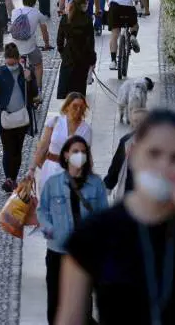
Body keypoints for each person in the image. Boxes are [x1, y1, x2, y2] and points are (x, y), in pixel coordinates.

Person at [56, 109, 175, 325]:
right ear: (132, 154)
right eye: (154, 154)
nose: (163, 166)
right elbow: (70, 318)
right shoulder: (94, 232)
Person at [38, 136, 108, 325]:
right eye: (76, 151)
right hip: (57, 250)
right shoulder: (53, 183)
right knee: (54, 301)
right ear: (66, 155)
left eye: (84, 152)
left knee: (83, 304)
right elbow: (42, 210)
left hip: (85, 253)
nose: (80, 156)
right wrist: (48, 228)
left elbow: (103, 217)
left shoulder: (96, 185)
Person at [0, 43, 39, 192]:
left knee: (17, 149)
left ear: (18, 59)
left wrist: (29, 79)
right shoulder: (1, 71)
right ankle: (8, 179)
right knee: (7, 149)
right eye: (8, 63)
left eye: (13, 63)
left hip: (21, 117)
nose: (11, 66)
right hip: (5, 117)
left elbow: (34, 93)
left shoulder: (26, 72)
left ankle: (13, 177)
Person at [27, 92, 92, 187]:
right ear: (67, 107)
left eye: (81, 107)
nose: (78, 110)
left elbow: (86, 155)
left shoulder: (86, 129)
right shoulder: (55, 122)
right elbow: (43, 147)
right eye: (75, 106)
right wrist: (32, 170)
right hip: (51, 170)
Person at [107, 0, 145, 70]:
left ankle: (113, 61)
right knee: (134, 25)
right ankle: (133, 36)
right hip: (128, 7)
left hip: (114, 6)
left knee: (114, 34)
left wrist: (109, 3)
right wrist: (146, 9)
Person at [56, 0, 96, 99]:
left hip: (68, 56)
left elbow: (59, 40)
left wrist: (62, 52)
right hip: (82, 57)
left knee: (66, 90)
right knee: (79, 92)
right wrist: (92, 60)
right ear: (83, 5)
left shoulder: (66, 18)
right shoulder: (87, 19)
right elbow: (90, 42)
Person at [10, 0, 51, 90]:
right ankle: (39, 90)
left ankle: (15, 86)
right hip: (31, 47)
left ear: (23, 1)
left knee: (15, 65)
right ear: (34, 2)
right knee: (38, 65)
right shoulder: (37, 13)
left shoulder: (15, 11)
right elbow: (44, 31)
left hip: (16, 46)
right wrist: (46, 44)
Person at [104, 108, 148, 196]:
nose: (138, 124)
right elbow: (115, 167)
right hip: (127, 193)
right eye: (135, 121)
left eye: (141, 121)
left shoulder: (157, 146)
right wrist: (105, 189)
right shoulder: (125, 142)